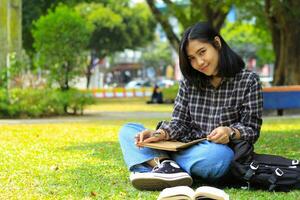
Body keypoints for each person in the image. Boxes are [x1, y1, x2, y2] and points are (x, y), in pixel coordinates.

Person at [119, 22, 263, 191]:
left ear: (217, 44)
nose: (199, 62)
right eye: (192, 58)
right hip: (181, 145)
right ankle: (166, 165)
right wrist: (159, 134)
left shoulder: (248, 81)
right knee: (128, 130)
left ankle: (159, 164)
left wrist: (230, 132)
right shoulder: (189, 83)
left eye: (202, 52)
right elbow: (179, 123)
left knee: (220, 157)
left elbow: (251, 129)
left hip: (213, 153)